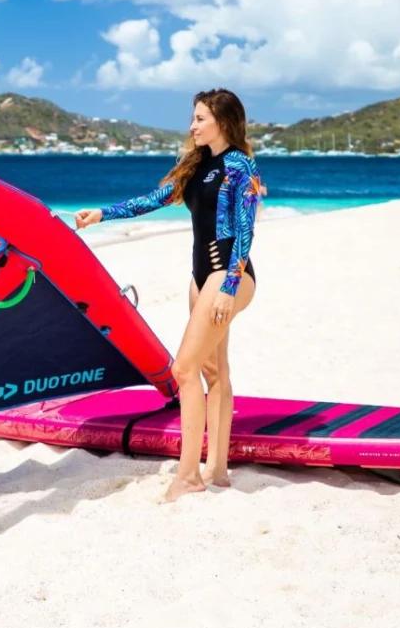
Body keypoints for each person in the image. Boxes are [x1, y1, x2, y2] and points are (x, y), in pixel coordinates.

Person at [75, 89, 265, 503]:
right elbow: (152, 200)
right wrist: (102, 213)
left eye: (200, 118)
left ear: (223, 122)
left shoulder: (239, 165)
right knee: (214, 372)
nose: (193, 125)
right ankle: (217, 470)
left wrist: (229, 288)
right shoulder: (196, 165)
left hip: (228, 275)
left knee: (183, 369)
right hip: (201, 277)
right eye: (193, 118)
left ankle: (189, 476)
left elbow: (245, 230)